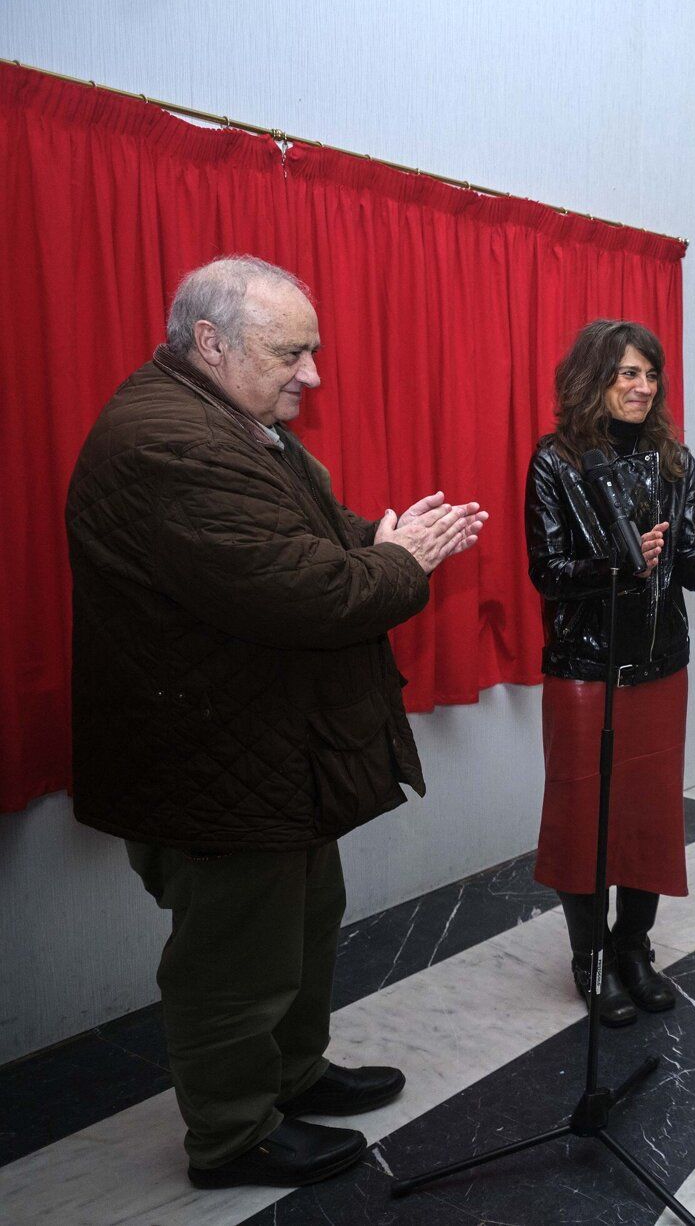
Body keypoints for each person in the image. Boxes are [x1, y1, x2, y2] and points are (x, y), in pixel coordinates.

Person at [65, 256, 488, 1188]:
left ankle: (291, 1076)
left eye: (314, 351)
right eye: (290, 352)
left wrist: (372, 544)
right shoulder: (170, 442)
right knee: (234, 963)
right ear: (210, 343)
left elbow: (311, 534)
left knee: (302, 924)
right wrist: (401, 563)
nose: (313, 376)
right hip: (210, 756)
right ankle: (231, 1135)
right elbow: (303, 592)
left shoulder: (233, 419)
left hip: (269, 748)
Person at [526, 320, 695, 1028]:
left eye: (649, 374)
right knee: (585, 820)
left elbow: (683, 562)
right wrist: (618, 567)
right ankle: (590, 960)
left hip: (660, 666)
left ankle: (633, 950)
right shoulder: (556, 461)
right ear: (594, 378)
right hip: (585, 669)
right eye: (627, 373)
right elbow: (547, 572)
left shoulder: (674, 460)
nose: (641, 386)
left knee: (648, 816)